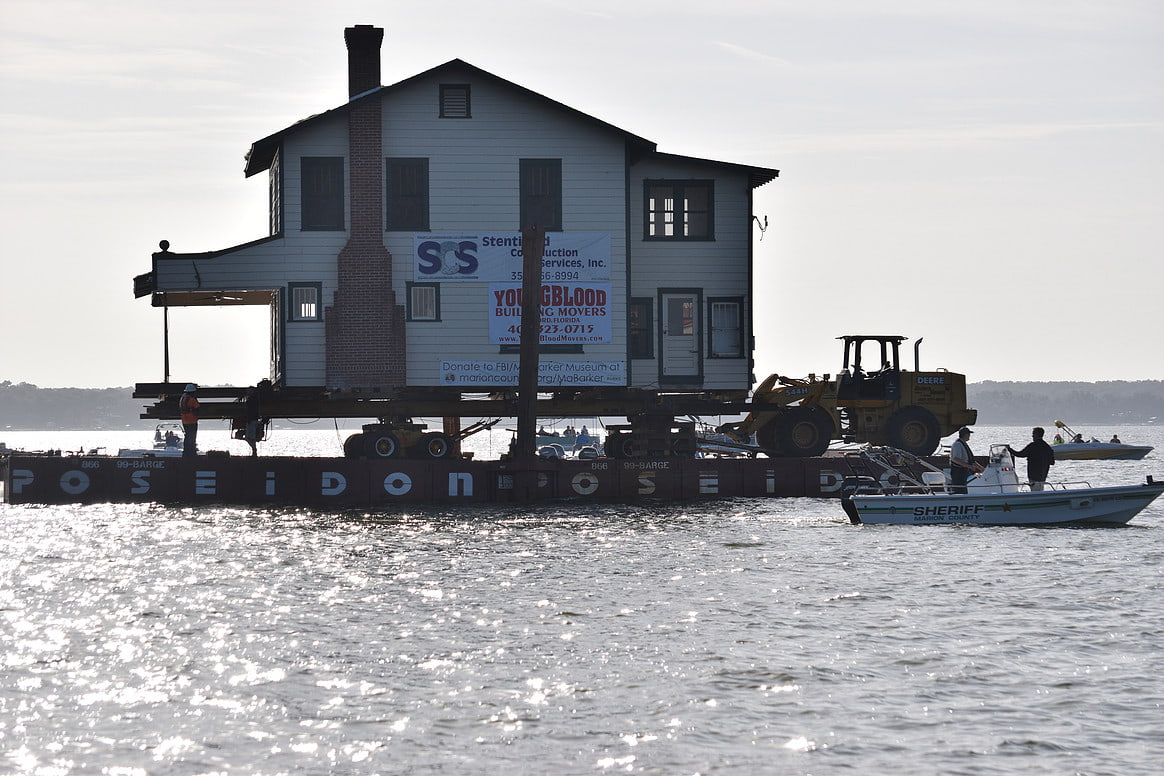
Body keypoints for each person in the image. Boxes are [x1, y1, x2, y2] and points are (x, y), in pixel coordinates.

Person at [1008, 426, 1056, 491]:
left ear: (1037, 435)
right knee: (1040, 491)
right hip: (1043, 476)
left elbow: (1020, 454)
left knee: (1036, 492)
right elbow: (1052, 462)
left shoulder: (1033, 446)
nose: (1032, 436)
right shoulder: (1047, 447)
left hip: (1033, 475)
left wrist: (1009, 449)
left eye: (1033, 434)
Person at [949, 426, 983, 495]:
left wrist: (981, 468)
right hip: (958, 472)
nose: (969, 436)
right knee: (959, 490)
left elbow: (971, 460)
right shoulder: (957, 444)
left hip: (964, 472)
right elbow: (956, 459)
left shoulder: (964, 444)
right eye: (968, 434)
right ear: (965, 435)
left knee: (965, 489)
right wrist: (969, 466)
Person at [179, 383, 200, 457]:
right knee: (192, 438)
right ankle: (192, 453)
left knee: (187, 437)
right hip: (192, 421)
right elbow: (197, 408)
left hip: (185, 421)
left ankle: (186, 453)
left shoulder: (182, 398)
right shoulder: (192, 399)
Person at [243, 386, 263, 457]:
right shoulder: (255, 399)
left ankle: (254, 450)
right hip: (252, 419)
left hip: (252, 420)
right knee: (250, 437)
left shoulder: (252, 399)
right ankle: (254, 451)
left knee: (249, 437)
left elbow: (250, 410)